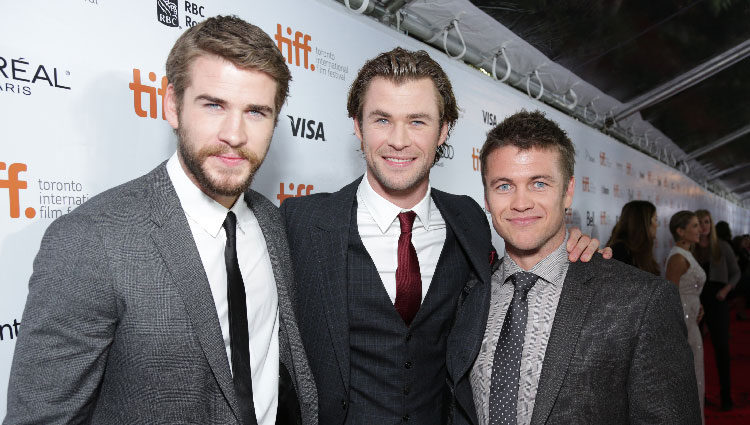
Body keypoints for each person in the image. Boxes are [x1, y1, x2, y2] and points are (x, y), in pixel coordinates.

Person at [4, 16, 316, 425]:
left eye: (256, 112)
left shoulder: (273, 225)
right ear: (172, 105)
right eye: (214, 105)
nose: (235, 134)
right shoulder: (91, 240)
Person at [280, 49, 603, 425]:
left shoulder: (469, 219)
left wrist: (568, 247)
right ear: (357, 125)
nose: (398, 141)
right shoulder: (300, 222)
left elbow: (513, 275)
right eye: (382, 119)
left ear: (443, 130)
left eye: (417, 122)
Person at [455, 110, 700, 425]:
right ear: (486, 197)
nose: (520, 202)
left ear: (568, 191)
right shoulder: (468, 294)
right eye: (504, 186)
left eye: (539, 183)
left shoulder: (642, 302)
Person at [694, 210, 740, 410]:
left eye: (707, 222)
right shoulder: (691, 248)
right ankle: (697, 395)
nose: (704, 226)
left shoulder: (722, 246)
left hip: (717, 300)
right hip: (697, 302)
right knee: (695, 351)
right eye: (699, 222)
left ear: (711, 224)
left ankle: (726, 396)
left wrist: (726, 290)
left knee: (721, 349)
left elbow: (736, 273)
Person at [666, 211, 706, 424]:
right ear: (680, 231)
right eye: (694, 226)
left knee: (696, 378)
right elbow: (671, 297)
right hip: (684, 326)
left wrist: (699, 306)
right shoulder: (677, 257)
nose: (700, 230)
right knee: (690, 380)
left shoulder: (687, 253)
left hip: (692, 322)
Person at [606, 200, 660, 275]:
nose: (657, 225)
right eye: (655, 219)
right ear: (643, 222)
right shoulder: (620, 250)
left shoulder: (640, 250)